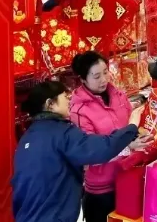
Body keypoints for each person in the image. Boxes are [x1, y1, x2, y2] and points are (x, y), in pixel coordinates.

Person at [12, 81, 149, 222]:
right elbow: (100, 149)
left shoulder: (26, 138)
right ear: (50, 104)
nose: (69, 101)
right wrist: (132, 126)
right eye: (65, 97)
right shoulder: (62, 133)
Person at [69, 52, 138, 222]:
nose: (104, 79)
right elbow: (91, 155)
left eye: (106, 72)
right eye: (96, 76)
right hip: (102, 189)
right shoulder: (79, 111)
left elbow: (131, 127)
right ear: (83, 79)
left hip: (128, 176)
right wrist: (128, 146)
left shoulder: (118, 95)